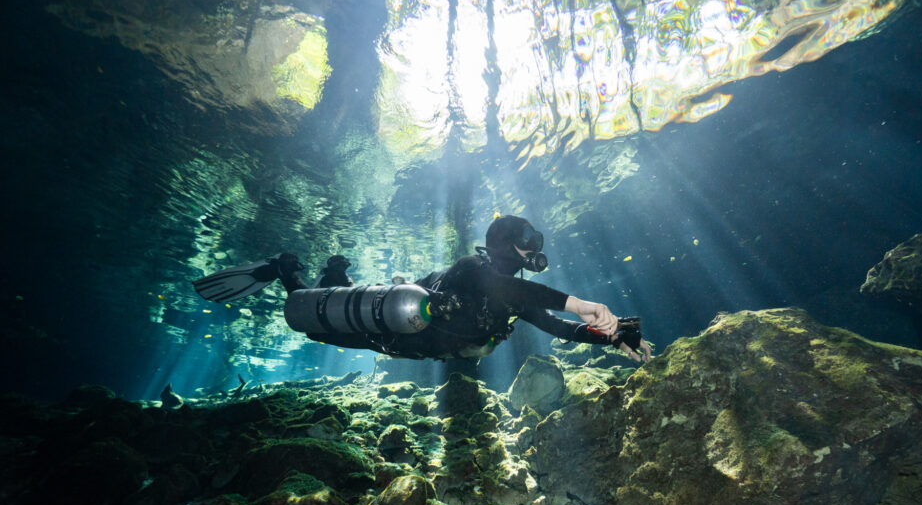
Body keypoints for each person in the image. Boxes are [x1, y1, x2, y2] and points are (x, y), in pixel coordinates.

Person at [193, 215, 652, 363]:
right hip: (392, 333)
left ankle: (333, 274)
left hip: (400, 341)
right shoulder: (473, 268)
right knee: (311, 323)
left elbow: (559, 329)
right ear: (506, 245)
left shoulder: (511, 296)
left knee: (327, 321)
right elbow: (525, 296)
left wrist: (615, 335)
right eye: (527, 239)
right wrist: (584, 303)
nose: (535, 247)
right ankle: (284, 269)